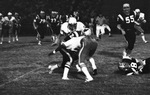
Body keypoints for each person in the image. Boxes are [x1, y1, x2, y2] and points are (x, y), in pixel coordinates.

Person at [48, 17, 98, 82]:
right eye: (71, 25)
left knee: (68, 62)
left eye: (74, 25)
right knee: (71, 59)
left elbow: (86, 32)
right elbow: (62, 42)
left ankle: (53, 67)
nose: (73, 26)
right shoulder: (66, 29)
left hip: (74, 45)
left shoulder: (79, 31)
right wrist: (54, 50)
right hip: (65, 46)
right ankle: (65, 76)